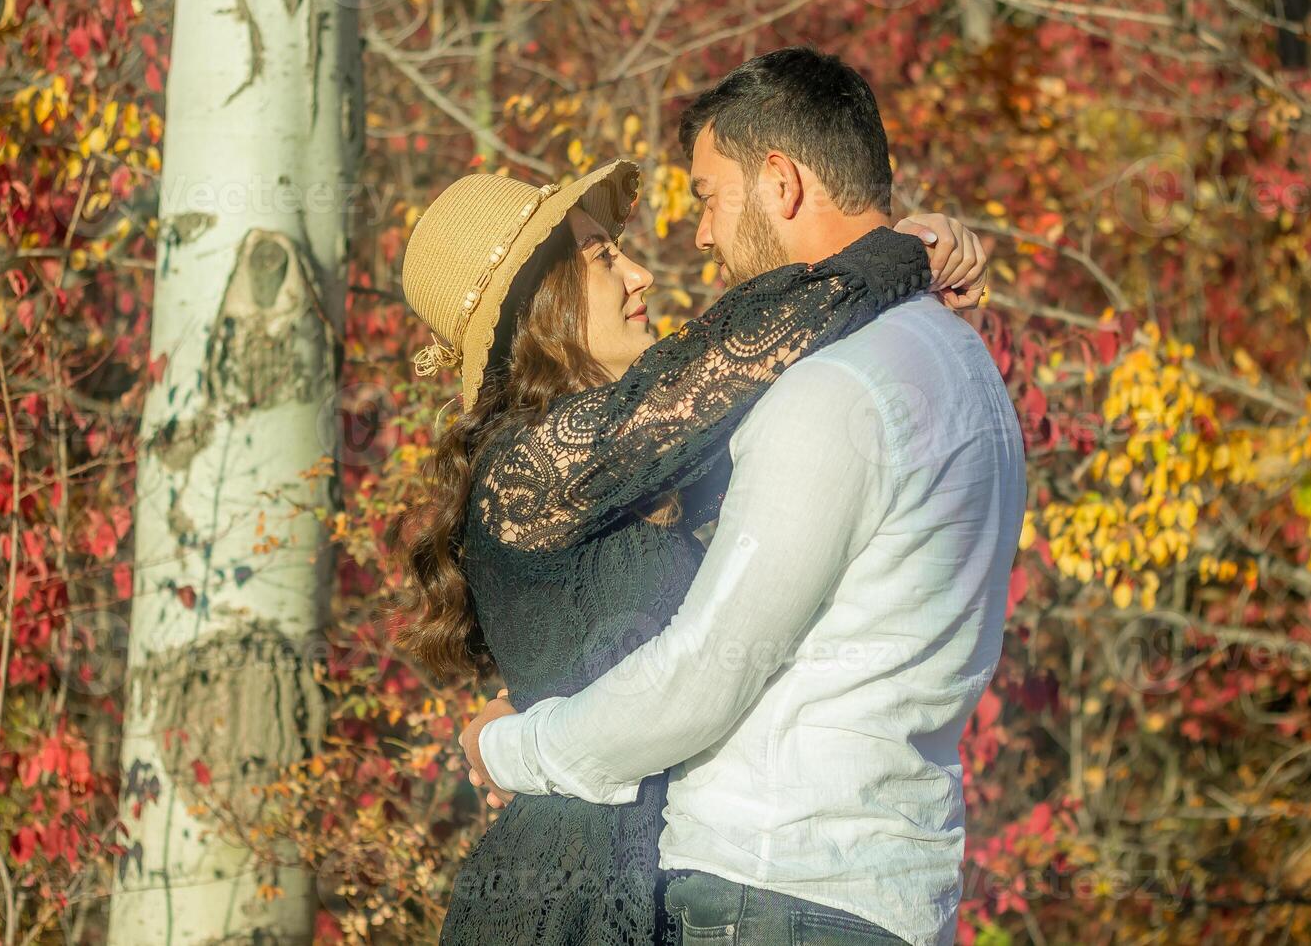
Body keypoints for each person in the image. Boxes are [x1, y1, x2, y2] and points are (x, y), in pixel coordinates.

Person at [388, 52, 987, 946]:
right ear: (538, 306)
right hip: (563, 901)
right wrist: (901, 247)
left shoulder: (637, 467)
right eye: (602, 257)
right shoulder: (531, 466)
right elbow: (740, 344)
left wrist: (904, 252)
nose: (642, 275)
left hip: (653, 885)